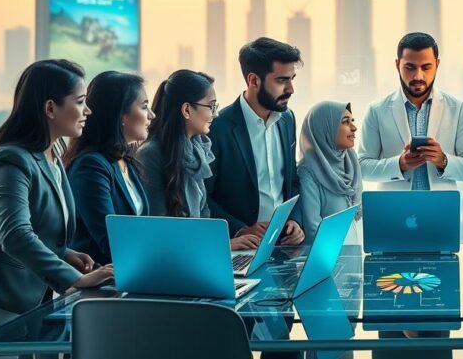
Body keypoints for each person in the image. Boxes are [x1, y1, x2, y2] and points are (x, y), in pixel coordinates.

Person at [0, 60, 114, 331]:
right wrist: (76, 279)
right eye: (80, 101)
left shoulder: (50, 153)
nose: (88, 110)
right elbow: (15, 235)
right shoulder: (11, 159)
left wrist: (64, 253)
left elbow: (40, 223)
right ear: (50, 108)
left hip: (32, 290)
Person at [136, 70, 261, 250]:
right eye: (211, 106)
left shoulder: (197, 150)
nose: (215, 114)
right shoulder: (150, 155)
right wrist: (222, 245)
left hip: (198, 255)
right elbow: (160, 232)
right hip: (172, 263)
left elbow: (204, 219)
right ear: (187, 110)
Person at [206, 37, 304, 245]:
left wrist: (295, 219)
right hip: (242, 247)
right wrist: (239, 229)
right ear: (253, 80)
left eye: (292, 78)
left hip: (283, 243)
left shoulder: (287, 119)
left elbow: (292, 180)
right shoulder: (217, 127)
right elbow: (204, 196)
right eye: (281, 80)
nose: (291, 89)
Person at [359, 32, 463, 190]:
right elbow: (362, 167)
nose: (418, 75)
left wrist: (443, 160)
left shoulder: (458, 109)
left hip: (440, 208)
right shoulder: (376, 110)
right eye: (410, 67)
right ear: (397, 65)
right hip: (394, 208)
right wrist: (399, 164)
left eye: (426, 67)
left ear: (437, 64)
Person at [65, 71, 154, 265]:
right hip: (102, 279)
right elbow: (111, 239)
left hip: (134, 270)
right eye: (145, 107)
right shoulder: (90, 166)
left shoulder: (126, 161)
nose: (152, 115)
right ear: (121, 114)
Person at [296, 101, 363, 244]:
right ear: (325, 129)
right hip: (327, 258)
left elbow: (358, 215)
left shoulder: (351, 160)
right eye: (345, 122)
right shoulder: (308, 171)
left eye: (352, 121)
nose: (354, 128)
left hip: (354, 251)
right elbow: (313, 229)